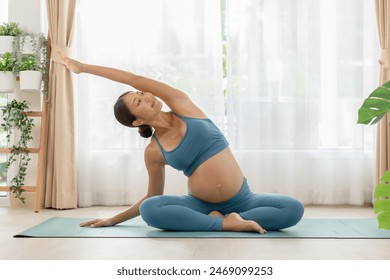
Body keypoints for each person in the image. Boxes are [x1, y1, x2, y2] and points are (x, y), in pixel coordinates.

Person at [58, 51, 304, 234]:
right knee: (151, 209)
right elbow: (152, 196)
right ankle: (225, 223)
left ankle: (228, 218)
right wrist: (114, 219)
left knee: (293, 209)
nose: (147, 98)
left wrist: (82, 67)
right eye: (139, 102)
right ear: (136, 122)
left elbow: (134, 78)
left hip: (243, 199)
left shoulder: (182, 105)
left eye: (143, 94)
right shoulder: (154, 151)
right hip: (199, 204)